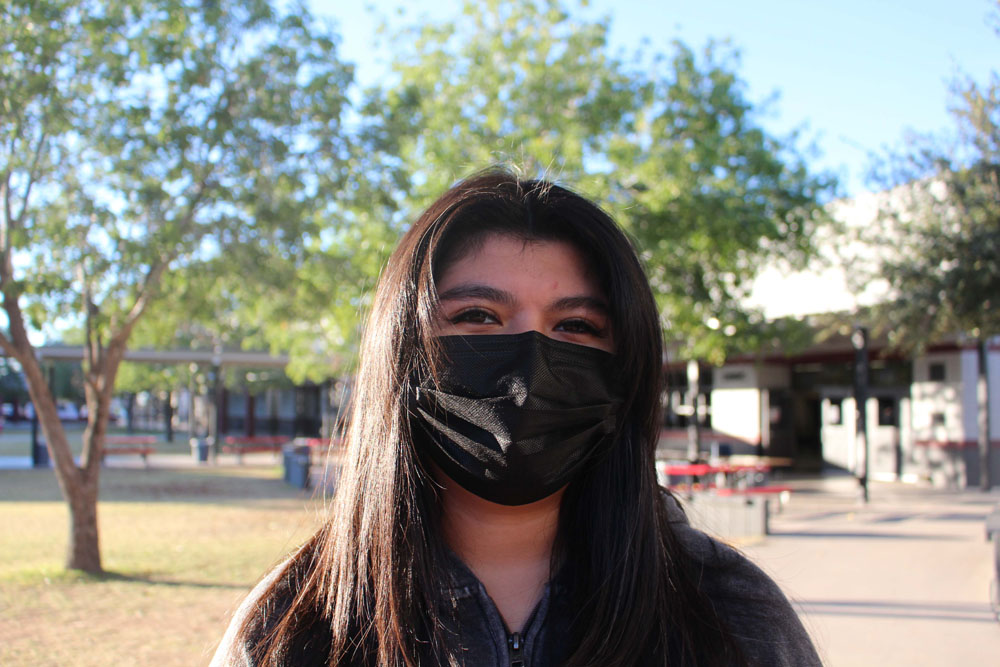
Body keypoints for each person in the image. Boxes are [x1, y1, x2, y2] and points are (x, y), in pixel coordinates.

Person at [212, 170, 820, 666]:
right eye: (477, 316)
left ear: (625, 368)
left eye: (575, 326)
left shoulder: (730, 614)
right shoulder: (294, 625)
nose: (530, 365)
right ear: (401, 350)